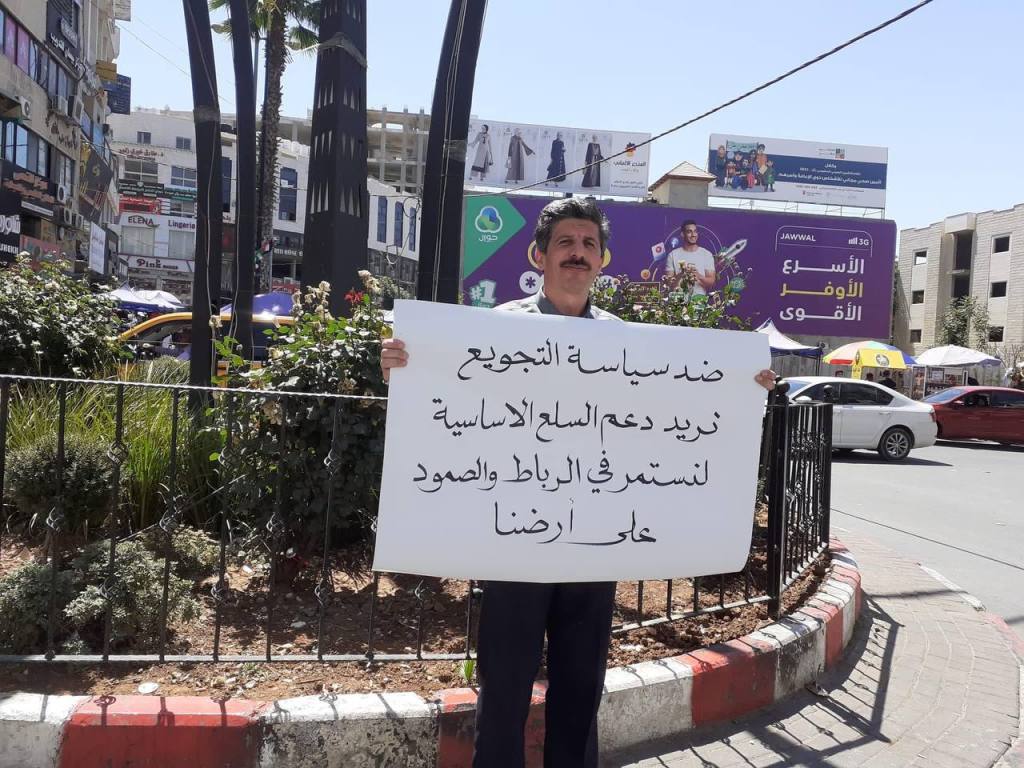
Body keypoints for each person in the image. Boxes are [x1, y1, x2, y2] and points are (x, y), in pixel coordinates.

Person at [380, 198, 776, 768]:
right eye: (566, 242)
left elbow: (672, 407)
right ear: (539, 255)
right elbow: (445, 390)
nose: (578, 253)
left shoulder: (625, 341)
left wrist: (742, 385)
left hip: (595, 544)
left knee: (580, 690)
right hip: (514, 545)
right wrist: (400, 364)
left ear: (603, 260)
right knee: (505, 689)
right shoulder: (498, 329)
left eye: (589, 245)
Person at [666, 219, 716, 296]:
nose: (693, 235)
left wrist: (699, 276)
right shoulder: (672, 255)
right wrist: (681, 274)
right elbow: (668, 284)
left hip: (699, 302)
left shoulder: (706, 254)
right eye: (689, 232)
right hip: (677, 304)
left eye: (695, 231)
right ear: (682, 234)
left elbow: (711, 282)